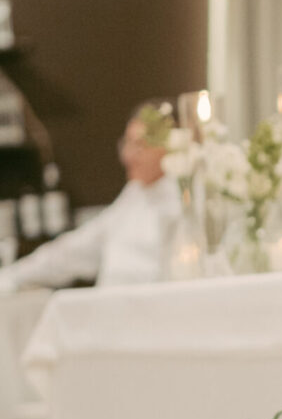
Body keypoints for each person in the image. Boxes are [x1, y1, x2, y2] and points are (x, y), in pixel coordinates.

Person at [0, 102, 178, 291]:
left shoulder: (182, 198)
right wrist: (13, 276)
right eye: (127, 144)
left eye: (140, 145)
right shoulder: (133, 195)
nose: (128, 155)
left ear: (168, 146)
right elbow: (73, 251)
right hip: (109, 308)